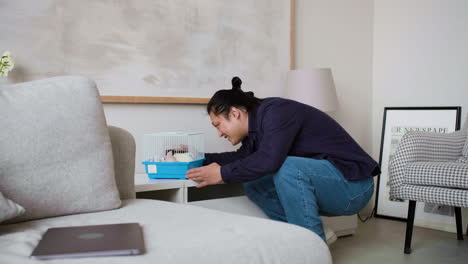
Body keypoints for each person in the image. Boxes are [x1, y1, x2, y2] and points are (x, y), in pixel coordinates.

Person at [186, 77, 380, 241]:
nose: (219, 133)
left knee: (288, 167)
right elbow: (241, 158)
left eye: (218, 125)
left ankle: (311, 251)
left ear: (235, 113)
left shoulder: (276, 112)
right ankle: (307, 238)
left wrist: (221, 173)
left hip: (355, 187)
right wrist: (196, 158)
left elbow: (269, 160)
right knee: (254, 183)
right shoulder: (255, 128)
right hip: (334, 185)